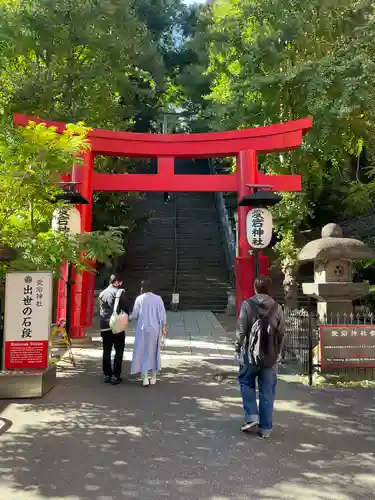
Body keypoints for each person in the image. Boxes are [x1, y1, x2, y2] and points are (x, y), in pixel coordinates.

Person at [235, 276, 285, 439]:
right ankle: (266, 429)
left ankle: (251, 416)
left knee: (245, 381)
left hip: (250, 354)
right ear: (269, 289)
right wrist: (279, 353)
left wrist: (237, 348)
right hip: (270, 355)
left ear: (254, 288)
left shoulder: (247, 305)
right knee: (267, 391)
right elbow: (282, 332)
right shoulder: (277, 307)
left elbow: (242, 330)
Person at [130, 280, 167, 387]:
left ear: (142, 288)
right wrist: (164, 327)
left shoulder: (139, 299)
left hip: (143, 329)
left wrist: (126, 317)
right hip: (155, 328)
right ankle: (154, 376)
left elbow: (135, 315)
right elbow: (162, 314)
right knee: (154, 351)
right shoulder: (158, 298)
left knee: (143, 351)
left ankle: (145, 377)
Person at [99, 274, 131, 385]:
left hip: (104, 326)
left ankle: (107, 374)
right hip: (117, 326)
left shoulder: (102, 293)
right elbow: (126, 308)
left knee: (106, 351)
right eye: (120, 282)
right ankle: (115, 375)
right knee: (118, 351)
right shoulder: (119, 292)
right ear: (116, 282)